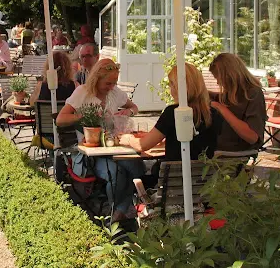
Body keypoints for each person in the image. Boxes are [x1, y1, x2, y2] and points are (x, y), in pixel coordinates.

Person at [57, 59, 141, 221]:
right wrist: (84, 115)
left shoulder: (115, 92)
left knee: (137, 167)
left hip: (114, 145)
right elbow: (60, 119)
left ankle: (119, 210)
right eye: (108, 83)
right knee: (116, 173)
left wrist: (128, 112)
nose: (111, 87)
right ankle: (118, 212)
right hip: (93, 151)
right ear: (96, 79)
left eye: (114, 82)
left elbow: (134, 107)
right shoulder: (83, 92)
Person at [121, 63, 223, 162]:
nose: (171, 91)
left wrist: (128, 139)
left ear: (178, 88)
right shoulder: (213, 113)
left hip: (173, 176)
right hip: (204, 176)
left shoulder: (174, 113)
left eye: (171, 85)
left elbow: (142, 145)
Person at [207, 53, 267, 154]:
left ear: (229, 75)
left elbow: (252, 137)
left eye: (218, 78)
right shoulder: (233, 92)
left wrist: (221, 108)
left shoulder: (253, 94)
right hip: (218, 146)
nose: (218, 83)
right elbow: (219, 98)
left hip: (233, 151)